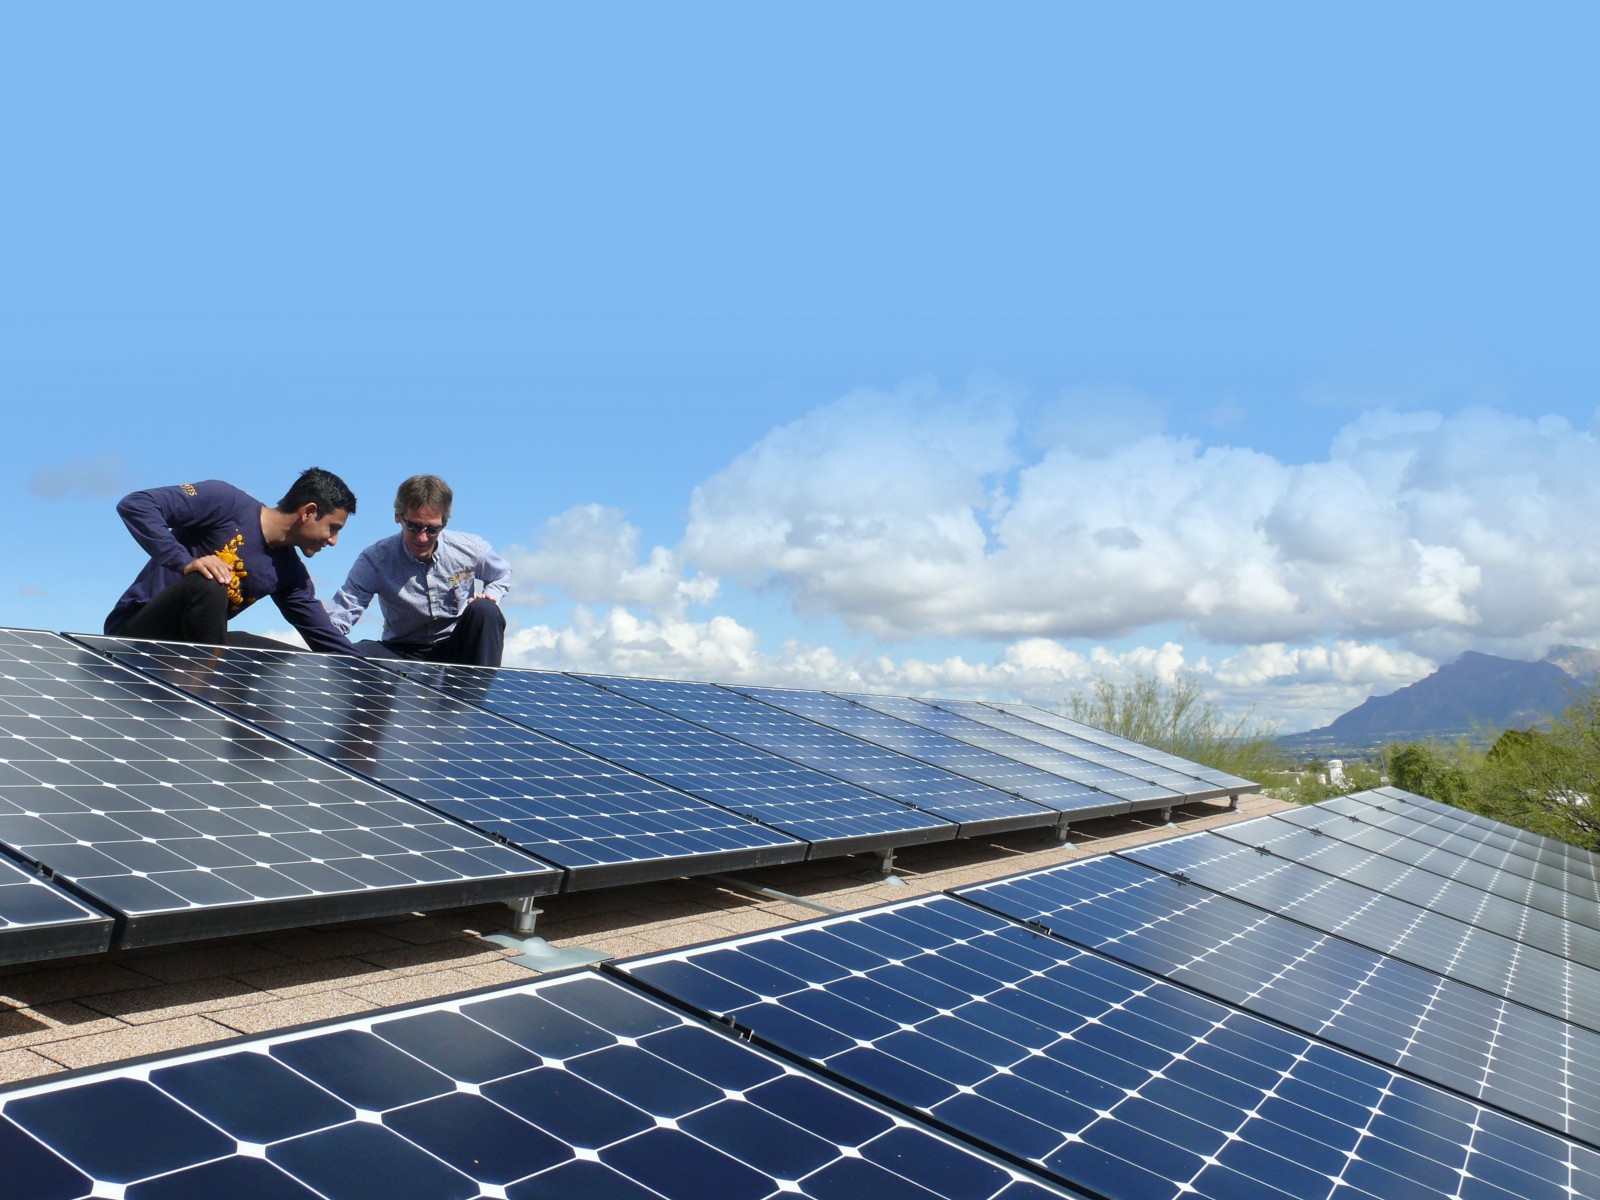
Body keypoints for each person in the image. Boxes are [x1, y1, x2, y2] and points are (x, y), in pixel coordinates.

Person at [105, 468, 360, 654]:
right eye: (332, 528)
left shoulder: (290, 573)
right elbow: (137, 505)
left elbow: (325, 637)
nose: (333, 541)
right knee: (209, 582)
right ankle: (210, 693)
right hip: (135, 635)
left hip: (192, 648)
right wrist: (184, 562)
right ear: (309, 512)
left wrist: (378, 674)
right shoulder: (225, 501)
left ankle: (222, 697)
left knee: (289, 661)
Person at [327, 474, 510, 667]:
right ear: (398, 517)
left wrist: (491, 595)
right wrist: (322, 649)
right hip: (401, 651)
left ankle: (482, 690)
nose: (422, 538)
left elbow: (501, 573)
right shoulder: (375, 560)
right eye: (414, 527)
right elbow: (344, 609)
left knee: (485, 610)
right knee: (355, 656)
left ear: (444, 523)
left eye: (431, 529)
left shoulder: (469, 549)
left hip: (456, 647)